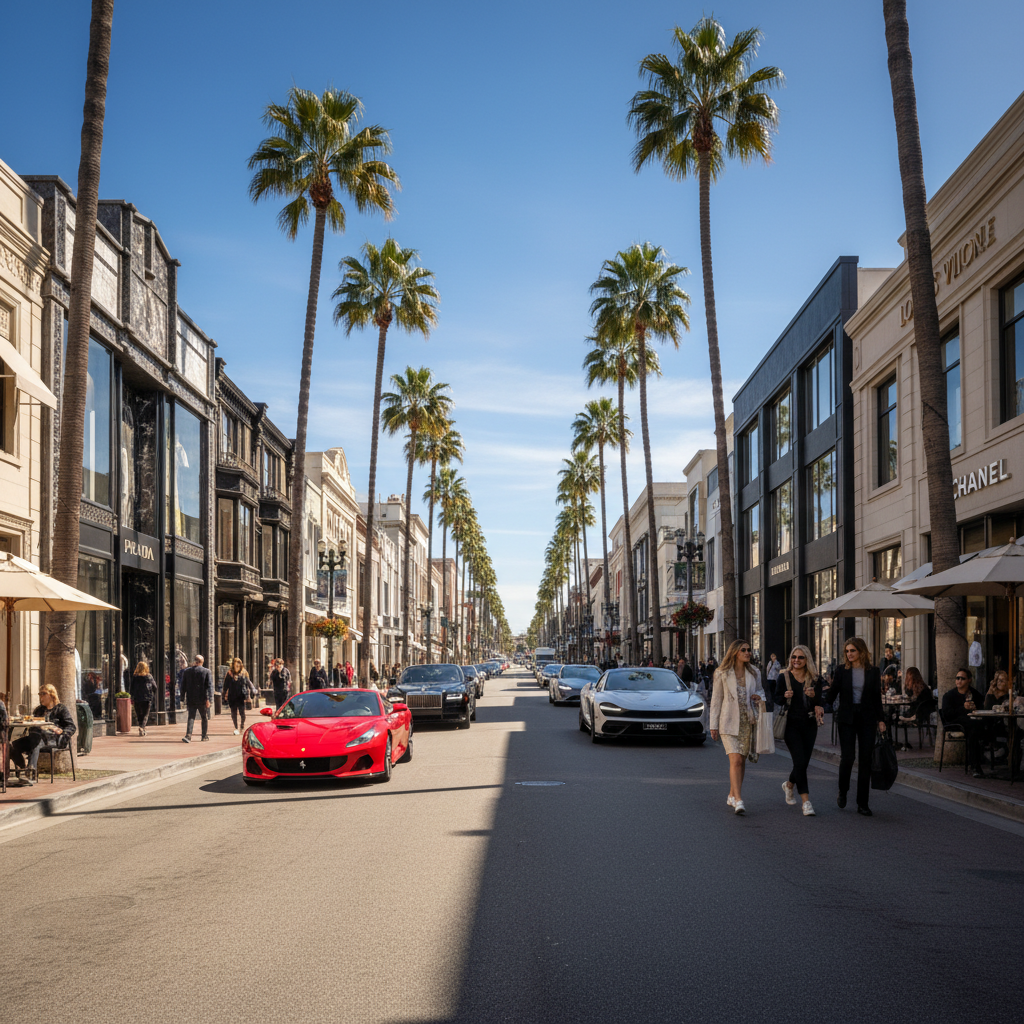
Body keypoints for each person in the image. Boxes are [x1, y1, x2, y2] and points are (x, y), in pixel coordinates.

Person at [825, 637, 886, 815]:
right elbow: (834, 691)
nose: (849, 654)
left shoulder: (873, 671)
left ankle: (862, 803)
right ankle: (843, 791)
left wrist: (881, 719)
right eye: (847, 651)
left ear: (861, 651)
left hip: (867, 718)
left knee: (865, 760)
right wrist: (820, 704)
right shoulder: (841, 671)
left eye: (852, 650)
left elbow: (876, 698)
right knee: (848, 757)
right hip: (846, 718)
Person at [709, 639, 765, 815]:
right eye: (744, 650)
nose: (748, 652)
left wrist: (759, 697)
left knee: (742, 760)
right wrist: (713, 725)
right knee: (736, 760)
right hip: (728, 721)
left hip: (748, 721)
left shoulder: (755, 672)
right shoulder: (722, 673)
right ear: (735, 652)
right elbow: (716, 700)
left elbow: (762, 691)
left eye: (749, 649)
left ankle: (733, 794)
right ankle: (739, 800)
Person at [776, 645, 824, 817]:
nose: (796, 660)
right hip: (791, 725)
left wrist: (814, 698)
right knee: (799, 761)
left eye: (800, 657)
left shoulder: (815, 679)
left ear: (807, 660)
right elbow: (776, 697)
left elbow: (821, 701)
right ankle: (806, 802)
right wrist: (784, 697)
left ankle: (789, 785)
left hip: (809, 724)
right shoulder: (784, 677)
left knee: (802, 763)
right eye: (794, 657)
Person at [9, 683, 76, 785]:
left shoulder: (61, 709)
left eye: (43, 693)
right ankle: (24, 770)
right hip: (35, 737)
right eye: (39, 694)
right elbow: (33, 724)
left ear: (51, 694)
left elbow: (71, 727)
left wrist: (60, 731)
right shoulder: (38, 710)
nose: (41, 696)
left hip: (53, 739)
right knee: (12, 746)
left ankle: (30, 774)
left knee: (36, 740)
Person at [941, 668, 986, 778]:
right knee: (975, 728)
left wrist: (975, 709)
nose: (959, 681)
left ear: (969, 680)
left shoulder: (975, 694)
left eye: (962, 678)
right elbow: (947, 714)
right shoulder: (949, 696)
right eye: (957, 678)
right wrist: (963, 708)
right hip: (955, 723)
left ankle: (976, 763)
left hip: (972, 723)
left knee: (974, 730)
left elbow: (982, 708)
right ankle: (976, 764)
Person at [180, 655, 214, 743]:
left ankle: (188, 735)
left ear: (195, 661)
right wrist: (209, 699)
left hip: (191, 698)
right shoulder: (206, 671)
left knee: (191, 716)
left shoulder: (187, 672)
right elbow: (210, 686)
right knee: (204, 717)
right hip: (202, 698)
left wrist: (182, 699)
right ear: (202, 662)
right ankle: (204, 736)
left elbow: (183, 686)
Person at [223, 658, 254, 736]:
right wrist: (224, 696)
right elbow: (225, 686)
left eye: (238, 665)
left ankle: (242, 726)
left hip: (241, 696)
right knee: (233, 713)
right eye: (235, 665)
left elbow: (249, 683)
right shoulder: (229, 674)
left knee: (242, 713)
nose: (236, 667)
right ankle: (236, 727)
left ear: (240, 666)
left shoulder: (244, 673)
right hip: (232, 696)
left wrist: (252, 690)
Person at [129, 661, 157, 736]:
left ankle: (141, 727)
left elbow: (131, 688)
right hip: (147, 698)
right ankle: (142, 727)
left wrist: (132, 696)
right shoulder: (149, 676)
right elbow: (155, 687)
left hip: (137, 698)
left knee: (139, 714)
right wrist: (152, 694)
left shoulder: (135, 677)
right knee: (145, 714)